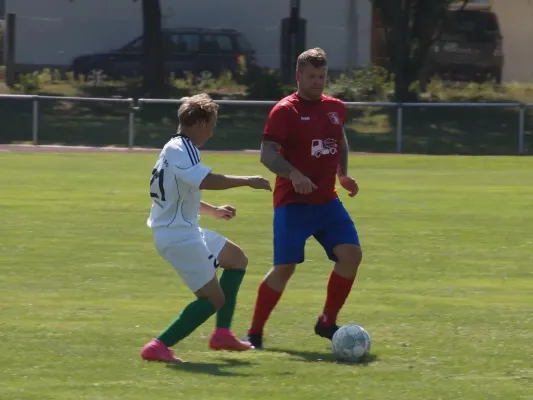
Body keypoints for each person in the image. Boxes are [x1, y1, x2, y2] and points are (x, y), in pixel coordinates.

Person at [243, 48, 362, 349]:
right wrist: (293, 173)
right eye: (311, 76)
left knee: (351, 255)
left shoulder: (335, 107)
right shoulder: (286, 111)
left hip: (326, 202)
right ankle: (254, 332)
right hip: (293, 204)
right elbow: (267, 155)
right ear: (298, 76)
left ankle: (327, 322)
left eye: (322, 76)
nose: (318, 82)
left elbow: (340, 140)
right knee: (285, 268)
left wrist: (343, 174)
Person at [140, 93, 272, 363]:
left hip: (183, 229)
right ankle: (158, 346)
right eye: (211, 125)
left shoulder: (175, 148)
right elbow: (205, 180)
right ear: (200, 123)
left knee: (237, 260)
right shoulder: (182, 148)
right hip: (178, 236)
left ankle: (222, 333)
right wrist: (248, 180)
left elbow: (181, 193)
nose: (212, 132)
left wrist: (213, 211)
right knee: (213, 299)